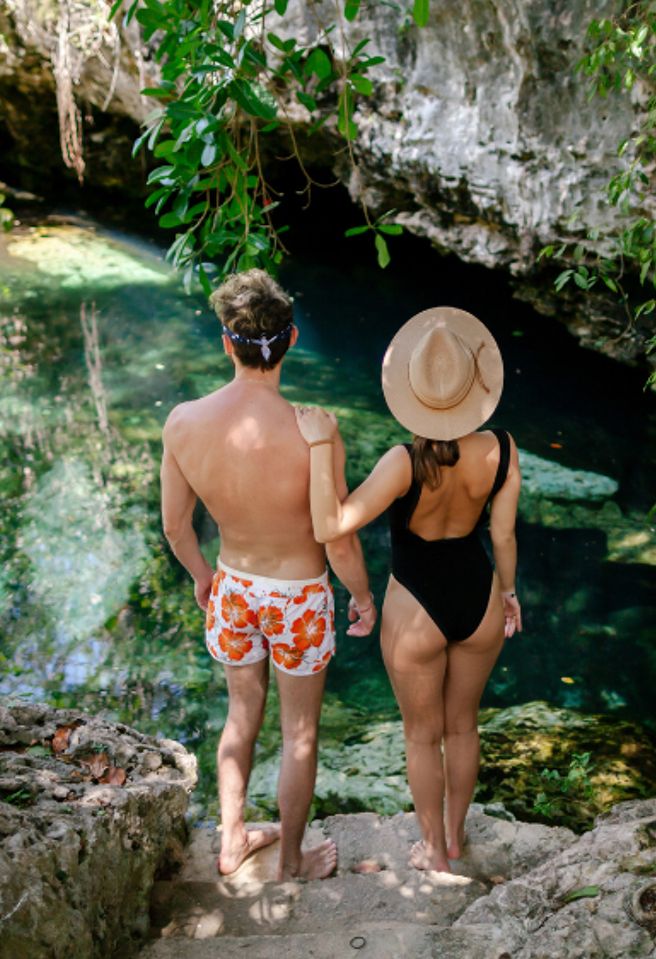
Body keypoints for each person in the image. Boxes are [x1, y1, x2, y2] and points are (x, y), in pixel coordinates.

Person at [160, 270, 375, 881]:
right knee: (300, 731)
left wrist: (204, 576)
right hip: (300, 597)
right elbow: (335, 536)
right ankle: (289, 860)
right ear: (293, 340)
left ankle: (231, 841)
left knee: (240, 714)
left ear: (227, 343)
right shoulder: (316, 429)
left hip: (233, 585)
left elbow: (176, 529)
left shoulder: (183, 422)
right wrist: (360, 596)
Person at [297, 306, 520, 873]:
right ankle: (453, 840)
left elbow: (332, 527)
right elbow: (503, 533)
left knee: (422, 738)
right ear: (475, 389)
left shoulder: (404, 461)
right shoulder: (503, 449)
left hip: (415, 609)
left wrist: (323, 447)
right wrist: (510, 593)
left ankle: (434, 859)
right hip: (480, 600)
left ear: (414, 396)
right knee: (463, 725)